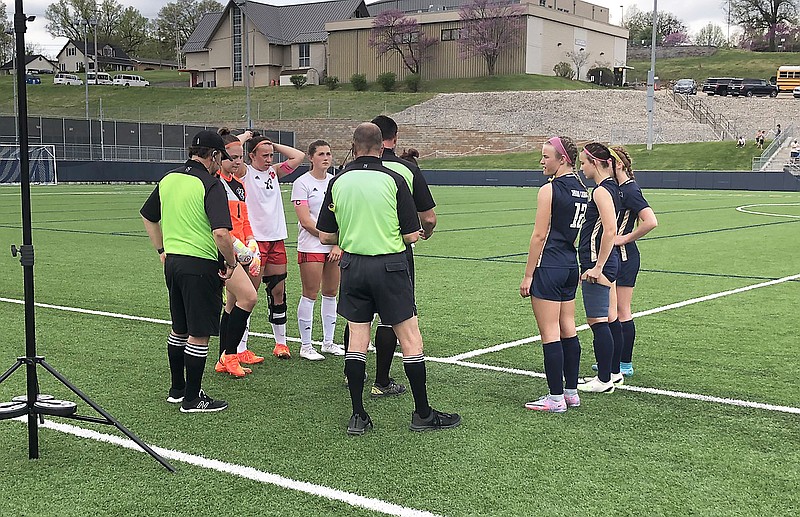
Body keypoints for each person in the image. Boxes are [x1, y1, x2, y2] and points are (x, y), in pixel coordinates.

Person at [316, 122, 461, 435]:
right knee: (410, 339)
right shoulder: (395, 178)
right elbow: (411, 233)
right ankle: (422, 413)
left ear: (353, 148)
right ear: (381, 148)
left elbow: (326, 234)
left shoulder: (338, 180)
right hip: (391, 267)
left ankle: (358, 415)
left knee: (357, 339)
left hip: (353, 267)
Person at [140, 130, 238, 413]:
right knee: (199, 333)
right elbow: (221, 233)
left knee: (179, 328)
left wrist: (161, 250)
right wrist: (231, 263)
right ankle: (193, 398)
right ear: (215, 155)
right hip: (200, 264)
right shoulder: (211, 184)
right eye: (222, 158)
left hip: (174, 263)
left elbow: (148, 215)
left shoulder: (169, 177)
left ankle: (177, 389)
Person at [358, 115, 436, 398]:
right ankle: (382, 380)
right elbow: (427, 217)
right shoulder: (404, 169)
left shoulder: (349, 170)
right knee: (395, 318)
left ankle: (351, 374)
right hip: (394, 253)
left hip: (356, 253)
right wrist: (425, 231)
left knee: (358, 318)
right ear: (394, 138)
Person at [519, 136, 586, 413]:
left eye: (546, 157)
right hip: (571, 264)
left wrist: (527, 275)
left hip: (550, 265)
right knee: (568, 326)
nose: (542, 162)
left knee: (550, 332)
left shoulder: (550, 189)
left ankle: (556, 397)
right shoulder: (583, 189)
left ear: (563, 159)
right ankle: (571, 392)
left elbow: (539, 235)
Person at [243, 133, 306, 359]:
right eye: (265, 155)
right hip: (254, 242)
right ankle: (241, 347)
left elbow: (299, 156)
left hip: (276, 238)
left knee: (278, 290)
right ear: (251, 156)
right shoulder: (244, 172)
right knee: (248, 293)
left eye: (272, 155)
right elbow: (227, 154)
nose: (270, 159)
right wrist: (249, 138)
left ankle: (281, 343)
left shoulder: (274, 172)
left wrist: (271, 143)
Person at [290, 140, 345, 360]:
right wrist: (326, 237)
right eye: (321, 154)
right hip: (311, 245)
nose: (326, 157)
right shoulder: (301, 183)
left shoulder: (335, 182)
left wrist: (336, 243)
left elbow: (341, 216)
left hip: (332, 247)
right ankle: (306, 346)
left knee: (331, 293)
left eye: (329, 154)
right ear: (311, 158)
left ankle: (328, 342)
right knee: (310, 293)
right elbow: (305, 220)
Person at [213, 129, 261, 377]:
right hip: (226, 254)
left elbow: (244, 220)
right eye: (232, 157)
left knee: (231, 306)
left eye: (240, 156)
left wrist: (252, 243)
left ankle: (227, 355)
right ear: (219, 157)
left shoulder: (238, 184)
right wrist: (240, 250)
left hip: (241, 252)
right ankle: (229, 355)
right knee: (248, 298)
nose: (237, 161)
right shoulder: (215, 184)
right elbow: (220, 227)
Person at [576, 142, 621, 394]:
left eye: (583, 163)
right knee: (607, 318)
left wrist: (598, 266)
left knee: (597, 321)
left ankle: (604, 379)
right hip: (602, 260)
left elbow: (610, 229)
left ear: (595, 163)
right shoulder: (611, 188)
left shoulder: (602, 191)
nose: (581, 168)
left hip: (597, 262)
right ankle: (612, 373)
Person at [610, 146, 658, 377]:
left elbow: (650, 221)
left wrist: (625, 238)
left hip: (625, 256)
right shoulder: (618, 189)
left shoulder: (629, 190)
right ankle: (613, 360)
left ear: (618, 164)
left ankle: (624, 363)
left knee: (622, 309)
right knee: (612, 310)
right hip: (617, 255)